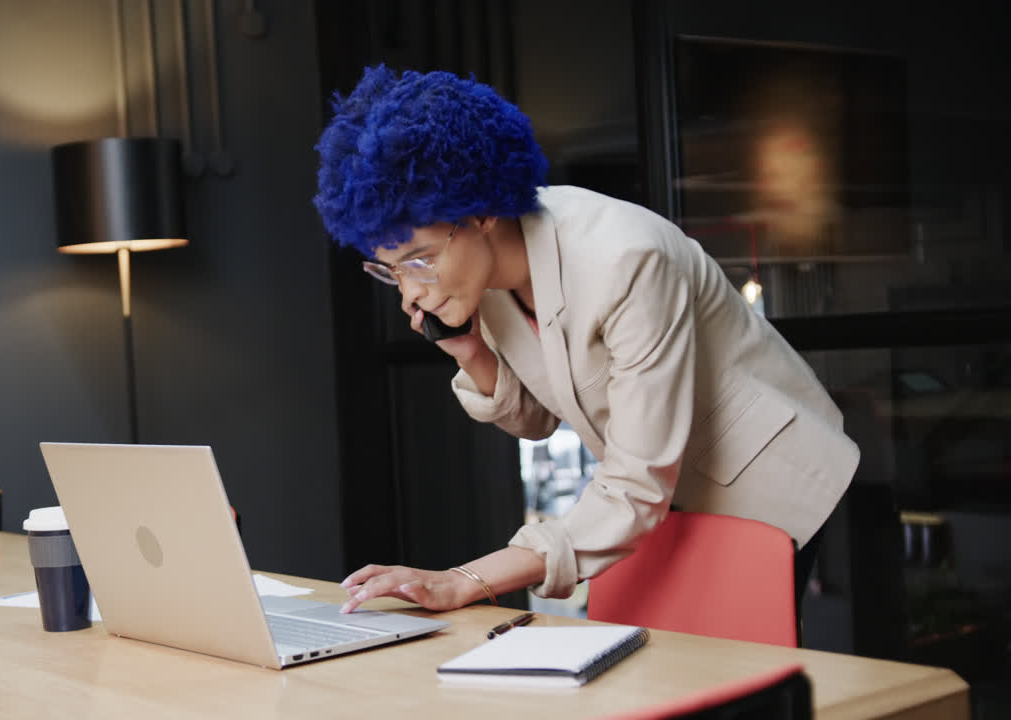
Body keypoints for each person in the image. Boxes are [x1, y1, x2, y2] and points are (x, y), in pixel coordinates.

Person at [313, 65, 860, 616]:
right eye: (390, 270)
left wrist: (465, 580)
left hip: (765, 485)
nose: (411, 291)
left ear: (480, 213)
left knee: (739, 691)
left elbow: (637, 485)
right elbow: (538, 422)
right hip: (663, 502)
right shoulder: (490, 278)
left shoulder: (627, 261)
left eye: (420, 261)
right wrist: (473, 353)